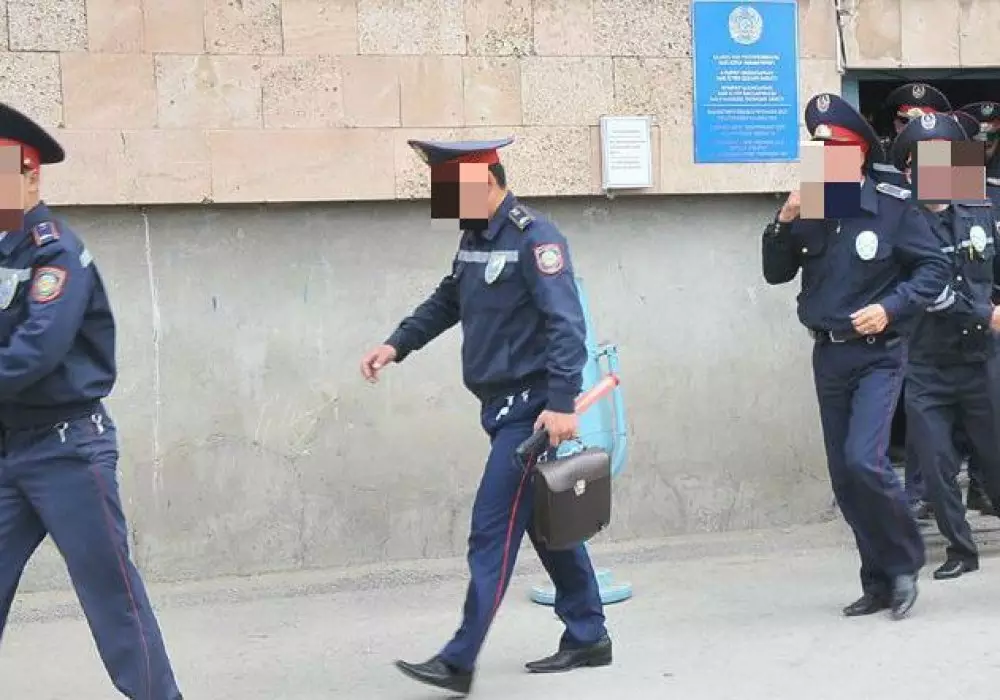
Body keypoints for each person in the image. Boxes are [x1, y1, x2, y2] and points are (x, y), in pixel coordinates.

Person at [360, 137, 610, 695]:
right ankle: (589, 633)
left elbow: (566, 325)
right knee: (545, 524)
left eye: (452, 192)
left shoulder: (536, 239)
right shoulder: (475, 238)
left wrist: (561, 403)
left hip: (532, 412)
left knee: (491, 530)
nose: (445, 203)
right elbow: (448, 300)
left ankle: (459, 659)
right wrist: (397, 343)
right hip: (498, 408)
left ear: (487, 181)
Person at [0, 103, 183, 698]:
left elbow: (38, 349)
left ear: (29, 176)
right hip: (8, 451)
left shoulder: (55, 254)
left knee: (112, 599)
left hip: (68, 452)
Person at [761, 93, 952, 619]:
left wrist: (891, 308)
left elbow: (933, 268)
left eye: (832, 150)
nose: (822, 158)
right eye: (817, 149)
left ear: (858, 155)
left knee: (865, 461)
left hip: (878, 354)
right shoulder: (812, 206)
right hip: (829, 354)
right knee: (845, 479)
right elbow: (776, 273)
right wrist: (783, 219)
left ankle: (905, 563)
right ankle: (878, 580)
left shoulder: (892, 205)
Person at [890, 113, 1000, 579]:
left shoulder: (981, 211)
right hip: (928, 364)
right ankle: (961, 549)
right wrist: (985, 313)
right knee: (935, 465)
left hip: (982, 361)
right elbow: (932, 292)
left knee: (995, 456)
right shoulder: (898, 225)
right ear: (909, 172)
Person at [871, 82, 951, 188]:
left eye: (920, 121)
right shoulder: (877, 154)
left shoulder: (953, 155)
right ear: (896, 124)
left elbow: (967, 195)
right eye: (904, 120)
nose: (912, 128)